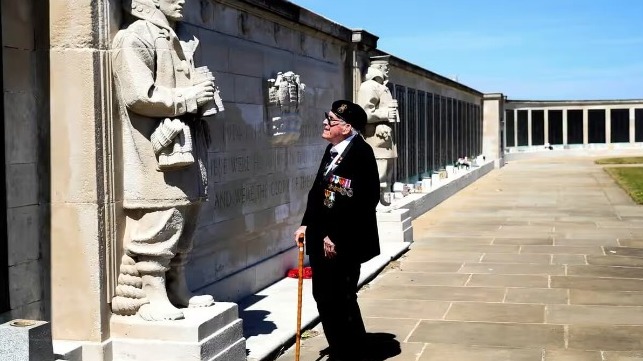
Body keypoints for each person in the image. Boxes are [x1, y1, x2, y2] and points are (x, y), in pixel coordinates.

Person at [110, 0, 220, 321]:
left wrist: (203, 93)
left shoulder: (176, 39)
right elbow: (137, 94)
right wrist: (188, 97)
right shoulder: (135, 36)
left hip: (188, 148)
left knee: (188, 214)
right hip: (156, 153)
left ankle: (177, 285)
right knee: (162, 214)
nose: (182, 1)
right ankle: (152, 293)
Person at [294, 100, 381, 360]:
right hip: (321, 236)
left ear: (346, 127)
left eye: (330, 120)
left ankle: (353, 351)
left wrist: (336, 236)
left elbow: (365, 201)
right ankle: (341, 348)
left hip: (344, 241)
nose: (324, 123)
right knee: (324, 295)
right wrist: (306, 223)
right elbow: (318, 192)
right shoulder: (333, 150)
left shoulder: (361, 153)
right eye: (327, 117)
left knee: (341, 296)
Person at [357, 55, 399, 209]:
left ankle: (383, 199)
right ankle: (374, 202)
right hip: (375, 137)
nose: (387, 70)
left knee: (386, 169)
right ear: (379, 68)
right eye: (385, 67)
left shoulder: (382, 87)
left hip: (385, 137)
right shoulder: (369, 86)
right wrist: (385, 113)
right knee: (378, 170)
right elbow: (364, 113)